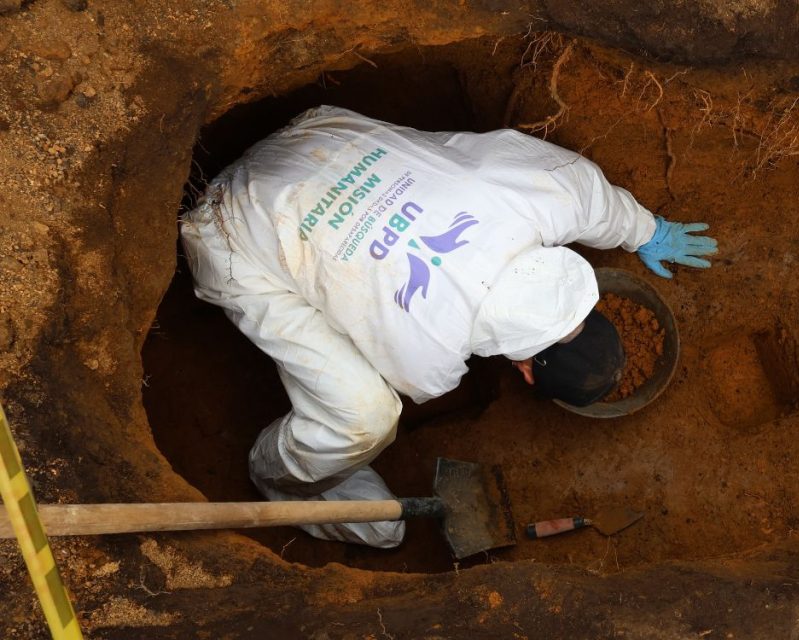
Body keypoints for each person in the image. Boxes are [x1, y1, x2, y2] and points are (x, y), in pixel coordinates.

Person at [181, 106, 717, 548]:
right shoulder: (429, 359)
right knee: (363, 414)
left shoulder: (546, 198)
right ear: (526, 374)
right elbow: (407, 364)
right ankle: (277, 476)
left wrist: (647, 230)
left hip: (317, 139)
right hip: (229, 236)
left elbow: (593, 198)